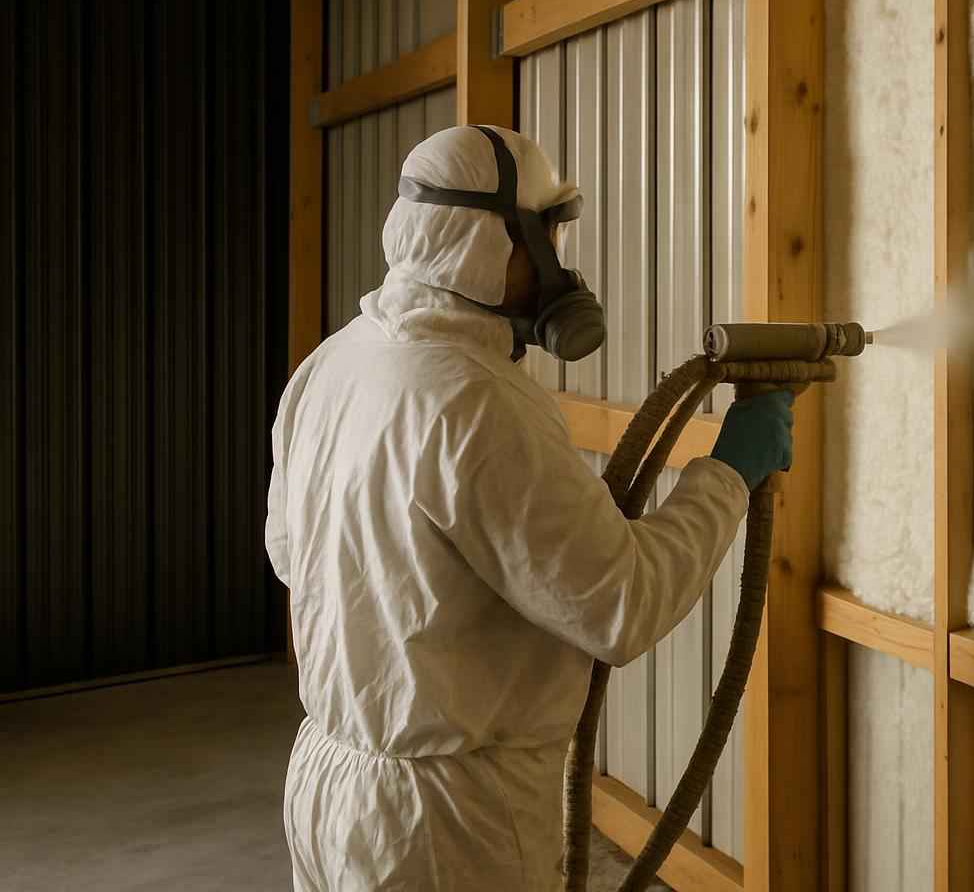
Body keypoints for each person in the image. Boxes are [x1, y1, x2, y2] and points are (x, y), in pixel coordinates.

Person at [265, 125, 793, 891]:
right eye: (550, 232)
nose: (561, 263)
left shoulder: (336, 361)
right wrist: (729, 473)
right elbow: (622, 604)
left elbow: (292, 555)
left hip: (327, 782)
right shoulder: (479, 400)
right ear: (498, 239)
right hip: (445, 827)